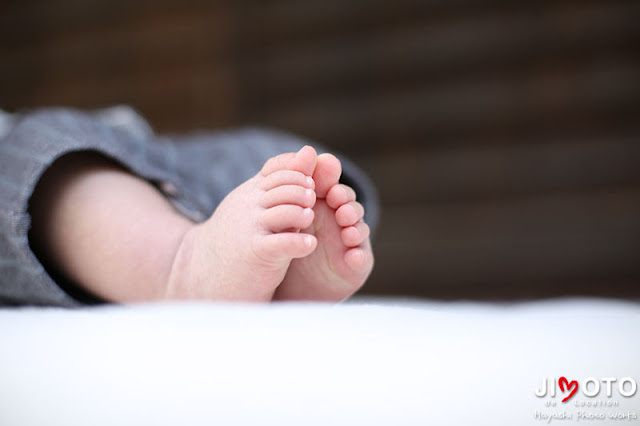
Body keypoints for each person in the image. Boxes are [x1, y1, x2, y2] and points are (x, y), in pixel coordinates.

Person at [0, 106, 378, 306]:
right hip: (47, 150)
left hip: (147, 151)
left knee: (272, 158)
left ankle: (274, 262)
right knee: (38, 157)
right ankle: (181, 265)